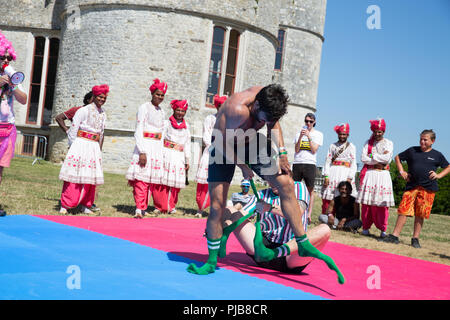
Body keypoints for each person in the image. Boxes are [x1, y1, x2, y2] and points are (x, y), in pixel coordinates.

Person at [186, 84, 344, 284]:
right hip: (223, 148)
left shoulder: (269, 102)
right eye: (263, 120)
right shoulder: (237, 110)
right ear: (256, 105)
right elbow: (220, 143)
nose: (266, 123)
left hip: (251, 143)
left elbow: (274, 125)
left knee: (286, 183)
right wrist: (242, 166)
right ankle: (210, 261)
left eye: (270, 120)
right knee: (217, 206)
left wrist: (282, 152)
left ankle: (302, 242)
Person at [221, 180, 331, 274]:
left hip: (291, 256)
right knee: (230, 210)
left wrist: (269, 207)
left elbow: (297, 213)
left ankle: (277, 252)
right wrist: (221, 225)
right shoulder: (261, 194)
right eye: (267, 177)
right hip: (261, 251)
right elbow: (241, 214)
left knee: (324, 229)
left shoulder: (299, 187)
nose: (270, 181)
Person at [382, 130, 450, 248]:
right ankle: (394, 236)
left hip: (428, 188)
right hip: (411, 186)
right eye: (421, 139)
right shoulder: (412, 150)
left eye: (425, 140)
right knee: (403, 210)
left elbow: (448, 167)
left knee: (420, 213)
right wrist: (401, 171)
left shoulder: (437, 155)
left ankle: (415, 239)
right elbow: (398, 157)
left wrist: (438, 175)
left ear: (432, 141)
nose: (422, 142)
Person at [58, 84, 109, 215]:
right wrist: (73, 145)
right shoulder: (83, 110)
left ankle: (85, 204)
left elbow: (101, 134)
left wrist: (99, 149)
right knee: (75, 174)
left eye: (104, 97)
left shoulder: (103, 114)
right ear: (94, 97)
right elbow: (74, 129)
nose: (102, 99)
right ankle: (65, 204)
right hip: (81, 143)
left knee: (90, 176)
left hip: (93, 146)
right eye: (100, 97)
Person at [125, 79, 167, 218]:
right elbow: (139, 129)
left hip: (156, 147)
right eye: (157, 94)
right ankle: (138, 208)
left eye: (162, 95)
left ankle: (143, 207)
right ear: (152, 93)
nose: (159, 97)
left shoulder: (162, 112)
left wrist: (161, 152)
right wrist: (142, 150)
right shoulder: (144, 107)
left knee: (150, 180)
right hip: (146, 144)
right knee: (141, 179)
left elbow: (162, 134)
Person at [0, 32, 27, 216]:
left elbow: (24, 100)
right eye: (2, 57)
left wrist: (14, 86)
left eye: (8, 57)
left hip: (7, 128)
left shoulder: (10, 75)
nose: (6, 60)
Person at [356, 118, 394, 239]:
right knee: (367, 203)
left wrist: (372, 156)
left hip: (382, 175)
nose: (377, 134)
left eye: (380, 132)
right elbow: (363, 158)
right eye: (376, 131)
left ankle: (383, 228)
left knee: (381, 203)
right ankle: (366, 227)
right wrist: (378, 158)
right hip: (370, 173)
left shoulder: (388, 143)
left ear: (383, 131)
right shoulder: (368, 143)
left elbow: (387, 158)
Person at [154, 99, 191, 214]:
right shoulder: (167, 123)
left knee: (175, 183)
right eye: (178, 110)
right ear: (174, 110)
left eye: (183, 111)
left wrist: (187, 159)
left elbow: (187, 143)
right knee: (163, 182)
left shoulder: (186, 126)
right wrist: (159, 154)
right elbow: (160, 139)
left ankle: (171, 206)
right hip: (167, 153)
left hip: (179, 156)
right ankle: (160, 206)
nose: (180, 113)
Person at [195, 95, 227, 218]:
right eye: (220, 106)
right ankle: (200, 207)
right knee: (204, 182)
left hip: (223, 154)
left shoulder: (228, 120)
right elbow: (206, 135)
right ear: (217, 106)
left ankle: (214, 207)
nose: (221, 109)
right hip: (210, 152)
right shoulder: (210, 118)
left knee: (217, 182)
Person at [292, 113, 323, 223]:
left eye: (310, 121)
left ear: (314, 122)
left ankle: (308, 214)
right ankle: (294, 211)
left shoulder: (318, 134)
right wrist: (301, 136)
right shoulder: (298, 134)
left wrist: (309, 136)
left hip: (310, 163)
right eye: (306, 121)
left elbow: (314, 150)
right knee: (294, 188)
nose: (308, 123)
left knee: (310, 190)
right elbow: (296, 150)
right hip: (297, 162)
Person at [320, 123, 357, 215]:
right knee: (329, 195)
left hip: (345, 172)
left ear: (348, 135)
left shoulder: (351, 146)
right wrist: (326, 176)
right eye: (340, 134)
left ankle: (341, 217)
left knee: (343, 195)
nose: (342, 136)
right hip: (333, 172)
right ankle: (327, 216)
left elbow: (353, 163)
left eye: (344, 134)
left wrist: (350, 177)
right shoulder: (332, 146)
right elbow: (327, 161)